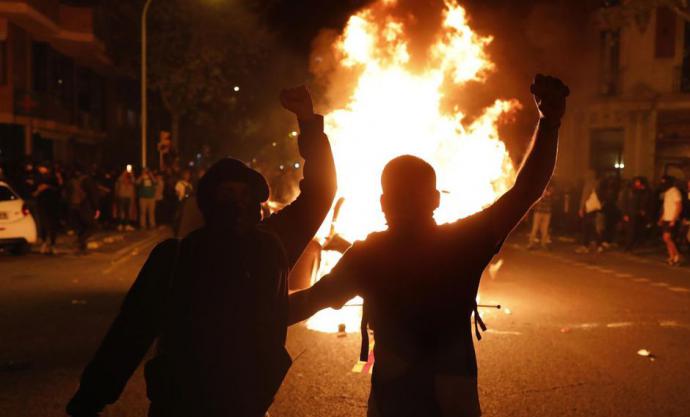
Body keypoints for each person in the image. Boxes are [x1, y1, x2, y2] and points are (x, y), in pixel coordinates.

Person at [288, 74, 568, 417]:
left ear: (382, 201)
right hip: (453, 394)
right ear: (436, 199)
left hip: (395, 396)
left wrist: (239, 314)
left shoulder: (368, 254)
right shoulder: (463, 242)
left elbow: (307, 302)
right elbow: (527, 190)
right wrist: (549, 123)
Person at [66, 85, 337, 417]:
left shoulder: (268, 246)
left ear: (255, 207)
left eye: (242, 196)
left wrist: (309, 123)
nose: (236, 205)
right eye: (228, 196)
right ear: (210, 205)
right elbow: (129, 334)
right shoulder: (176, 258)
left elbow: (321, 191)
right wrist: (90, 399)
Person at [67, 168, 101, 253]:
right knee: (93, 226)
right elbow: (93, 194)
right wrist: (96, 208)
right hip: (85, 206)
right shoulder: (87, 180)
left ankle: (82, 248)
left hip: (73, 206)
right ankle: (79, 241)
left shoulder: (72, 180)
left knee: (82, 227)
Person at [34, 163, 61, 254]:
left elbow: (59, 188)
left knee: (53, 225)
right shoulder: (37, 178)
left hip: (52, 204)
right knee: (43, 224)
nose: (41, 169)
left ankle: (53, 244)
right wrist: (38, 190)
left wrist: (48, 187)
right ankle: (44, 243)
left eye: (43, 167)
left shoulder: (53, 177)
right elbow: (33, 192)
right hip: (41, 204)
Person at [619, 176, 651, 252]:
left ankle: (633, 245)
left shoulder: (640, 191)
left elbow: (642, 202)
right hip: (630, 213)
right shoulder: (628, 191)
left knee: (635, 230)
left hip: (636, 214)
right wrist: (625, 214)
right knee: (630, 231)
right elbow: (624, 203)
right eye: (637, 182)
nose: (638, 184)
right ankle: (628, 246)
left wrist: (641, 210)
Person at [576, 170, 603, 253]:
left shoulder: (588, 184)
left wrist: (581, 208)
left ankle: (585, 246)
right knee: (594, 228)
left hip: (588, 209)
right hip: (596, 208)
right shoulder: (598, 184)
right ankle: (597, 245)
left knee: (586, 227)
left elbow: (584, 197)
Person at [658, 175, 682, 266]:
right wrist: (661, 218)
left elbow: (679, 206)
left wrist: (674, 219)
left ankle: (678, 256)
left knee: (667, 238)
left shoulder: (675, 192)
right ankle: (672, 256)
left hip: (672, 219)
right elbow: (666, 207)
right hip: (666, 218)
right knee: (666, 239)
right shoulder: (667, 192)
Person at [528, 183, 554, 249]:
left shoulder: (551, 188)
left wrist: (546, 193)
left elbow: (550, 195)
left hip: (546, 212)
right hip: (538, 211)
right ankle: (531, 244)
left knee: (544, 229)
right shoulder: (539, 188)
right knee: (535, 228)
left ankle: (543, 244)